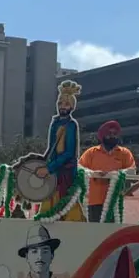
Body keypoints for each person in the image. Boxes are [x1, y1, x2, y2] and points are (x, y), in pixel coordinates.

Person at [32, 80, 85, 221]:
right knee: (48, 201)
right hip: (53, 170)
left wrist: (49, 168)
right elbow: (51, 148)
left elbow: (69, 153)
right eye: (60, 103)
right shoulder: (55, 123)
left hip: (66, 171)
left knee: (66, 202)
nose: (62, 107)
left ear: (72, 107)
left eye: (66, 104)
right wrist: (41, 163)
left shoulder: (72, 125)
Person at [79, 120, 137, 222]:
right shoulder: (92, 152)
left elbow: (132, 171)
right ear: (103, 135)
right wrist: (93, 173)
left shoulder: (124, 153)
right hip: (94, 200)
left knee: (113, 233)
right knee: (96, 232)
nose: (112, 136)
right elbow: (79, 167)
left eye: (115, 134)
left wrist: (115, 175)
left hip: (115, 200)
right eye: (109, 134)